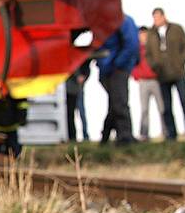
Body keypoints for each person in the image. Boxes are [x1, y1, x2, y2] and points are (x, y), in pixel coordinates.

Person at [146, 8, 185, 140]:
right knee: (166, 106)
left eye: (158, 17)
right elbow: (148, 55)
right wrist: (155, 67)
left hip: (178, 73)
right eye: (154, 18)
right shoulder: (151, 34)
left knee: (184, 102)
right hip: (162, 75)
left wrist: (180, 61)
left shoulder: (176, 29)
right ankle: (171, 134)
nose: (156, 20)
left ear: (164, 16)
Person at [97, 14, 139, 145]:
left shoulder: (123, 20)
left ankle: (125, 137)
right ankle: (110, 137)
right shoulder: (102, 22)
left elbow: (131, 45)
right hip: (108, 68)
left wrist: (118, 63)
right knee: (115, 103)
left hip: (117, 68)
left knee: (119, 102)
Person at [132, 26, 165, 141]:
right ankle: (144, 134)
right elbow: (133, 64)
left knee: (162, 107)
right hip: (143, 81)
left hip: (156, 80)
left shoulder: (154, 47)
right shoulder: (136, 49)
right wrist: (136, 76)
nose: (143, 36)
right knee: (144, 109)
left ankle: (166, 131)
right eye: (141, 34)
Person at [65, 59, 91, 141]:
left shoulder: (81, 58)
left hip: (75, 88)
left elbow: (87, 67)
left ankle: (81, 136)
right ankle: (74, 136)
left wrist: (83, 77)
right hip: (72, 88)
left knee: (78, 113)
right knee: (72, 113)